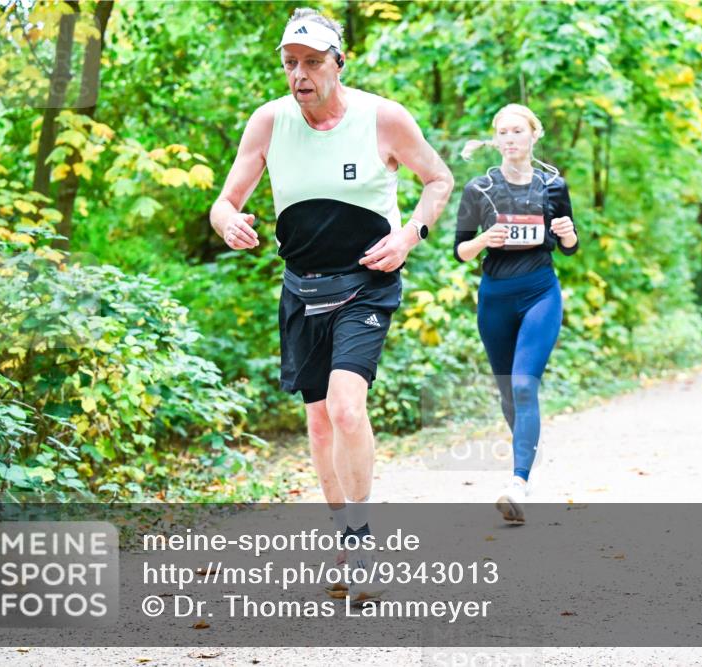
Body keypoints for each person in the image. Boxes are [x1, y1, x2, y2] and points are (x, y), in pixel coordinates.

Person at [208, 8, 453, 601]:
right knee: (318, 422)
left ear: (339, 63)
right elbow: (225, 200)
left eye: (313, 62)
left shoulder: (383, 119)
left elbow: (438, 180)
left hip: (366, 283)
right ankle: (343, 531)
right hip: (302, 287)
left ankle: (363, 536)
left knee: (346, 409)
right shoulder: (268, 123)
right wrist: (227, 222)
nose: (301, 75)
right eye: (291, 63)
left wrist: (409, 236)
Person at [454, 104, 579, 524]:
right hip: (495, 298)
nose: (510, 139)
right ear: (496, 139)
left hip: (540, 292)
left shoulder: (552, 185)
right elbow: (460, 250)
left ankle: (518, 481)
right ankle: (524, 459)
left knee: (525, 386)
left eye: (517, 131)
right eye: (503, 132)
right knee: (509, 393)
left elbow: (569, 245)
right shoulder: (480, 189)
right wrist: (484, 239)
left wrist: (568, 234)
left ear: (533, 136)